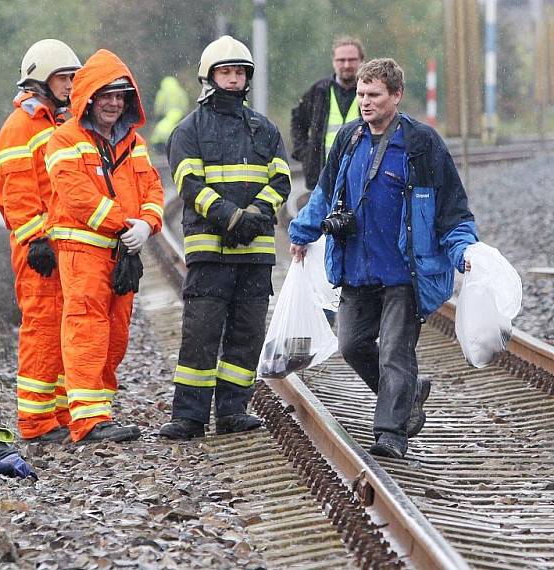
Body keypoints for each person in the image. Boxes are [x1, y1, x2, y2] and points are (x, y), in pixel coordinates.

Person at [288, 58, 478, 459]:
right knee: (352, 344)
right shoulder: (349, 140)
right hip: (357, 266)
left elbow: (453, 209)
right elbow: (325, 192)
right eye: (360, 95)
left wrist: (463, 250)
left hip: (403, 272)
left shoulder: (421, 144)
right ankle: (408, 394)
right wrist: (303, 232)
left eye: (374, 95)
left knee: (395, 350)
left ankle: (391, 433)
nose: (365, 103)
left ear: (396, 96)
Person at [158, 36, 292, 440]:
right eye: (226, 72)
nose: (233, 80)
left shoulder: (264, 129)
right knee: (200, 335)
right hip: (209, 252)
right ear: (210, 76)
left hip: (255, 252)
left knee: (246, 335)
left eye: (239, 73)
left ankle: (234, 410)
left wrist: (256, 214)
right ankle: (189, 417)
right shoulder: (189, 130)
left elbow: (281, 177)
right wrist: (231, 217)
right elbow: (190, 184)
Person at [45, 49, 165, 443]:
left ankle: (101, 412)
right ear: (89, 99)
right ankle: (88, 420)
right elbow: (77, 196)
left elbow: (152, 188)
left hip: (122, 253)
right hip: (84, 252)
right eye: (106, 95)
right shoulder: (64, 140)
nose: (114, 103)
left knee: (115, 334)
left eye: (121, 96)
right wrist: (124, 224)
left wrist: (148, 225)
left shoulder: (134, 142)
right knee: (86, 329)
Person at [0, 39, 82, 443]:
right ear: (41, 80)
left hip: (62, 245)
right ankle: (36, 422)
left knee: (63, 327)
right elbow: (17, 192)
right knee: (43, 327)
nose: (70, 86)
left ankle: (58, 414)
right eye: (64, 78)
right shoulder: (21, 127)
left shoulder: (58, 122)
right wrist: (35, 239)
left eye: (73, 79)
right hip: (38, 250)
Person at [291, 37, 365, 192]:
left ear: (361, 60)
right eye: (341, 60)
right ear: (333, 61)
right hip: (323, 177)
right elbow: (298, 120)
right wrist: (306, 155)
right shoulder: (319, 91)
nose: (346, 65)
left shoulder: (370, 92)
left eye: (352, 60)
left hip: (361, 178)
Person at [150, 76, 189, 154]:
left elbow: (158, 106)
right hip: (179, 115)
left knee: (161, 131)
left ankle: (161, 148)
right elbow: (185, 104)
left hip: (166, 115)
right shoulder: (180, 92)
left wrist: (158, 115)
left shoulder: (162, 93)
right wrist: (184, 114)